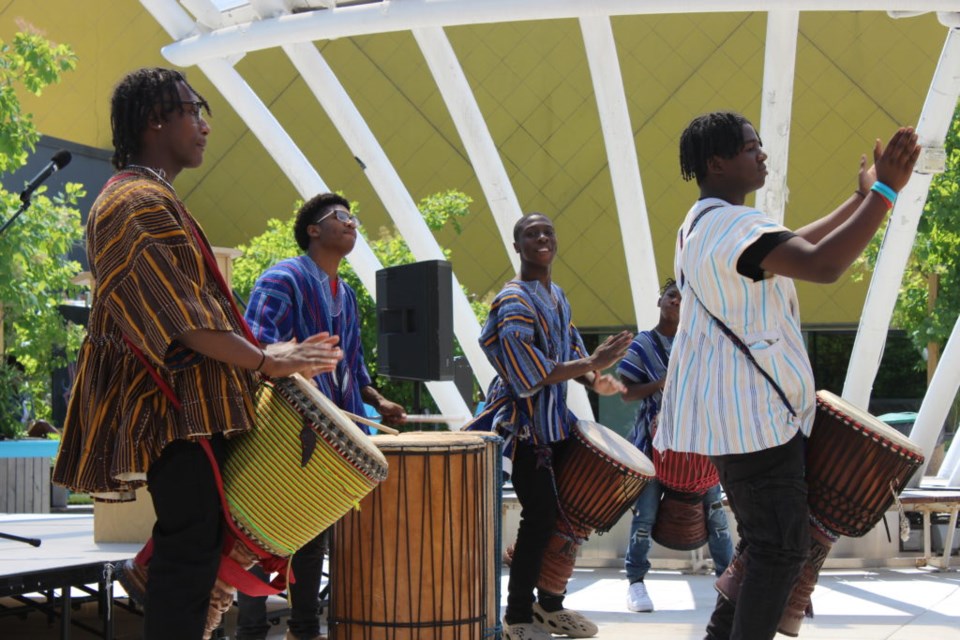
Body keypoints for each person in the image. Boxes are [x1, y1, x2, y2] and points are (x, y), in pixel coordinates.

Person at [51, 67, 342, 640]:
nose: (205, 126)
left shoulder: (149, 196)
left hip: (182, 404)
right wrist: (267, 361)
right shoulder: (135, 203)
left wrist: (268, 356)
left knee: (198, 541)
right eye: (193, 110)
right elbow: (180, 320)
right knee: (191, 549)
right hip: (167, 407)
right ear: (156, 120)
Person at [654, 111, 920, 640]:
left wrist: (860, 199)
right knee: (781, 550)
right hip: (756, 422)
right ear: (718, 162)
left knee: (763, 547)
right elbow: (822, 264)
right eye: (752, 147)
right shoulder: (733, 225)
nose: (763, 154)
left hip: (734, 421)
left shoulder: (702, 224)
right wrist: (887, 191)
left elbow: (791, 245)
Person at [237, 192, 406, 640]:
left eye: (354, 219)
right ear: (313, 229)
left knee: (312, 534)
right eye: (341, 217)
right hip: (281, 429)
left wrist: (376, 399)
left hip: (328, 432)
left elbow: (352, 363)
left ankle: (306, 629)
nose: (352, 224)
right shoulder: (281, 278)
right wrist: (292, 363)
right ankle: (250, 631)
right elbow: (255, 347)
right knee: (262, 529)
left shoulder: (345, 294)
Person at [466, 212, 633, 640]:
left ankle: (549, 606)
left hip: (555, 424)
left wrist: (597, 378)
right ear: (518, 246)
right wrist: (591, 363)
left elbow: (571, 354)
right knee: (539, 517)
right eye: (531, 234)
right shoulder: (513, 302)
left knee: (565, 516)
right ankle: (518, 614)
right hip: (523, 430)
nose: (542, 238)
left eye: (548, 232)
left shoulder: (556, 296)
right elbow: (530, 373)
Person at [617, 278, 733, 613]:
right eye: (671, 295)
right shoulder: (644, 343)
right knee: (645, 515)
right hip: (655, 448)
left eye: (682, 298)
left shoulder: (701, 343)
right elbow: (625, 392)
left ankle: (728, 581)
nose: (676, 301)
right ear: (660, 301)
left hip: (699, 445)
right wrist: (660, 383)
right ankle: (636, 583)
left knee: (717, 517)